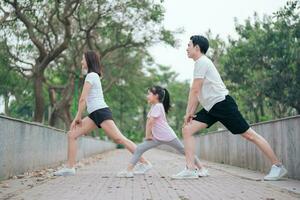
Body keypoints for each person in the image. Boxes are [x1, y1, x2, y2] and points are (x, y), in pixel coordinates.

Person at [171, 35, 287, 180]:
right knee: (187, 129)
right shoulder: (199, 63)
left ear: (197, 48)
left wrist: (189, 113)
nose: (186, 48)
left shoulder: (202, 62)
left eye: (189, 45)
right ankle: (190, 169)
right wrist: (190, 113)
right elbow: (196, 91)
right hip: (211, 108)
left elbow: (194, 90)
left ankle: (278, 166)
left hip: (223, 104)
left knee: (249, 135)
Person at [54, 51, 151, 176]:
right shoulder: (93, 76)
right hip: (95, 114)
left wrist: (78, 117)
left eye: (83, 59)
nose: (81, 62)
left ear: (88, 61)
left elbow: (83, 99)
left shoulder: (91, 76)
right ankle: (70, 168)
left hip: (100, 112)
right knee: (72, 135)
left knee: (119, 139)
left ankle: (145, 163)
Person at [117, 86, 208, 178]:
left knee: (185, 151)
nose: (147, 96)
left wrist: (148, 135)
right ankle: (128, 171)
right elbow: (151, 122)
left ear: (156, 96)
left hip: (167, 136)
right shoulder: (155, 106)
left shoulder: (158, 106)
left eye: (149, 94)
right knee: (139, 149)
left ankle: (202, 169)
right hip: (157, 137)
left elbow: (150, 122)